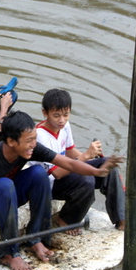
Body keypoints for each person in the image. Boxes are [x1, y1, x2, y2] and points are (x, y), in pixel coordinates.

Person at [0, 111, 123, 270]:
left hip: (4, 197)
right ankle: (9, 253)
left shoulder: (29, 148)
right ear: (11, 141)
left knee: (38, 174)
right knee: (4, 184)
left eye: (35, 139)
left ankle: (37, 238)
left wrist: (97, 172)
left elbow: (67, 163)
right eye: (29, 140)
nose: (34, 144)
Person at [35, 88, 126, 231]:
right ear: (45, 113)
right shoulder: (40, 136)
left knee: (109, 166)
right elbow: (56, 173)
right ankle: (66, 219)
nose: (62, 120)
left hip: (66, 171)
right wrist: (85, 156)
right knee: (86, 180)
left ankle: (121, 219)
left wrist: (91, 156)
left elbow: (70, 151)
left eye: (66, 115)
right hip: (50, 183)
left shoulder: (64, 126)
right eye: (56, 116)